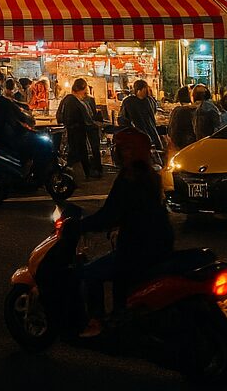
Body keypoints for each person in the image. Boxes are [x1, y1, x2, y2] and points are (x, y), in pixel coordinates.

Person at [78, 130, 175, 335]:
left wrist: (80, 226)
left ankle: (97, 321)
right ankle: (120, 315)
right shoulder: (150, 175)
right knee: (118, 274)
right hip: (158, 243)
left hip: (138, 247)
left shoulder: (130, 178)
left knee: (90, 273)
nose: (119, 153)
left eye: (122, 149)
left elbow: (110, 213)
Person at [55, 78, 102, 180]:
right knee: (77, 152)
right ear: (83, 88)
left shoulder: (68, 99)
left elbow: (60, 116)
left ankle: (85, 173)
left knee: (80, 152)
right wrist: (94, 124)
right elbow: (84, 118)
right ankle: (70, 174)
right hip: (77, 130)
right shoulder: (74, 100)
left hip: (74, 130)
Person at [119, 79, 163, 155]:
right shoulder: (129, 102)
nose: (147, 91)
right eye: (145, 88)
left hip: (150, 133)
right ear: (140, 89)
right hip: (138, 135)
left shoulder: (149, 100)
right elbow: (123, 119)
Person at [167, 86, 196, 153]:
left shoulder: (177, 111)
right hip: (194, 145)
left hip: (181, 147)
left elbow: (171, 131)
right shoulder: (196, 110)